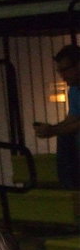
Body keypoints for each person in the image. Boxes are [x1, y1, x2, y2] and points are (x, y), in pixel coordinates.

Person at [34, 44, 80, 189]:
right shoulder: (74, 90)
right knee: (65, 135)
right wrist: (53, 129)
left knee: (67, 135)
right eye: (60, 71)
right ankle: (70, 188)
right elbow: (73, 119)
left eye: (65, 70)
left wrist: (54, 130)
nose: (62, 75)